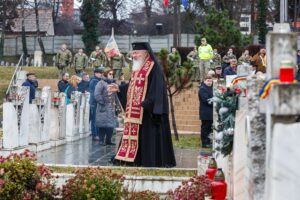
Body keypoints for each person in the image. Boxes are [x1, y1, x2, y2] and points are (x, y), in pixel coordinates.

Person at [113, 42, 176, 167]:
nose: (134, 56)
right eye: (133, 53)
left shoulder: (154, 67)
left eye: (136, 53)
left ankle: (149, 160)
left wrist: (148, 103)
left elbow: (157, 88)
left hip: (148, 112)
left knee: (149, 139)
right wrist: (119, 88)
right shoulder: (137, 68)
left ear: (145, 53)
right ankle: (133, 159)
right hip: (137, 111)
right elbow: (132, 85)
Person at [94, 68, 117, 145]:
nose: (111, 75)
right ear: (106, 74)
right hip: (103, 106)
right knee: (102, 124)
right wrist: (102, 103)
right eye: (110, 74)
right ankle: (101, 140)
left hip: (111, 107)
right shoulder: (101, 83)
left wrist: (116, 104)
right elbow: (97, 94)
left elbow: (115, 95)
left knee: (111, 124)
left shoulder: (113, 84)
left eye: (112, 74)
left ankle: (108, 140)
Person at [89, 67, 105, 140]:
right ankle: (94, 135)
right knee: (94, 119)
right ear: (96, 73)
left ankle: (98, 134)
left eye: (102, 73)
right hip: (94, 102)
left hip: (98, 102)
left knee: (98, 119)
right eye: (100, 73)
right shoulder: (94, 81)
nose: (102, 74)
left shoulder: (99, 80)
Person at [199, 75, 213, 148]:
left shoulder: (211, 88)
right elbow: (206, 100)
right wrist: (215, 102)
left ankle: (208, 142)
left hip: (210, 113)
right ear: (204, 81)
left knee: (210, 128)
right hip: (205, 113)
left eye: (210, 81)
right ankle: (204, 143)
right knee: (205, 128)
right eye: (208, 81)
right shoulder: (203, 89)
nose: (209, 82)